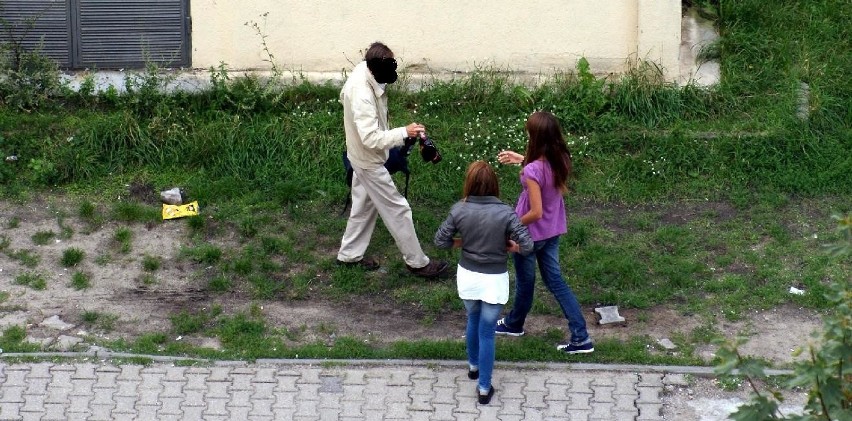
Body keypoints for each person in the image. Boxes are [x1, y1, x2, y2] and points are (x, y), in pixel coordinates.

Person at [336, 41, 449, 278]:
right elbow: (370, 138)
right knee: (398, 209)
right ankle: (417, 263)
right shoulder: (363, 94)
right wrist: (403, 133)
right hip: (368, 161)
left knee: (363, 207)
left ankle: (348, 256)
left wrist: (401, 135)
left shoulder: (364, 72)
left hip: (359, 156)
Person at [494, 111, 595, 354]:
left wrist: (510, 223)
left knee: (526, 283)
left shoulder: (532, 171)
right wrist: (523, 160)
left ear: (535, 136)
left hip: (529, 235)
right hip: (552, 232)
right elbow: (543, 173)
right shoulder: (560, 158)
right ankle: (581, 337)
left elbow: (536, 211)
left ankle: (515, 324)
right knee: (556, 282)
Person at [434, 160, 533, 405]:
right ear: (494, 184)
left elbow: (440, 241)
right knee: (487, 331)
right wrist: (510, 247)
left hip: (468, 276)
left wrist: (461, 243)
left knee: (472, 319)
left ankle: (473, 366)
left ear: (469, 182)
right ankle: (484, 388)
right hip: (494, 280)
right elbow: (528, 246)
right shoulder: (506, 212)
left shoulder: (459, 209)